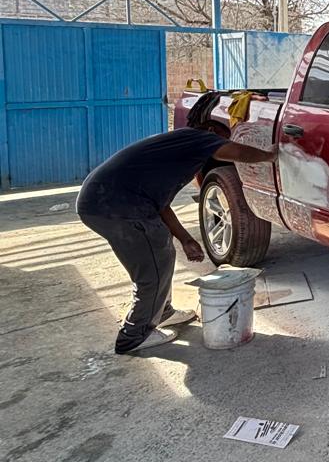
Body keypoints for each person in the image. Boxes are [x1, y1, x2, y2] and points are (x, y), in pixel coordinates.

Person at [76, 94, 277, 355]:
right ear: (208, 129)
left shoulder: (178, 152)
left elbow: (161, 205)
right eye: (220, 135)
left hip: (105, 202)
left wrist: (185, 239)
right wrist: (269, 155)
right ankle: (133, 335)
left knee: (160, 251)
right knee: (152, 269)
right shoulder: (196, 138)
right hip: (115, 205)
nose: (222, 141)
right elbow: (236, 152)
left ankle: (161, 312)